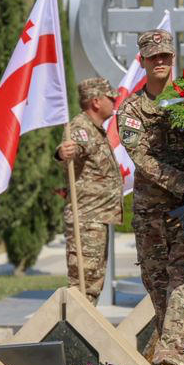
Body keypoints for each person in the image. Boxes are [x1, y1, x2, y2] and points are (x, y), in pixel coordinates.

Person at [117, 30, 184, 365]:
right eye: (153, 56)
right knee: (161, 295)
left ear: (173, 59)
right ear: (142, 61)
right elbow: (143, 159)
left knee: (182, 292)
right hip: (151, 216)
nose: (160, 61)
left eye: (165, 56)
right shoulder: (130, 111)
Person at [55, 77, 123, 302]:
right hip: (86, 220)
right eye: (110, 98)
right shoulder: (81, 128)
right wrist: (63, 152)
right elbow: (72, 148)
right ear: (96, 101)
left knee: (92, 284)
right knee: (83, 286)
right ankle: (77, 324)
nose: (114, 102)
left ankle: (84, 322)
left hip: (95, 219)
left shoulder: (95, 129)